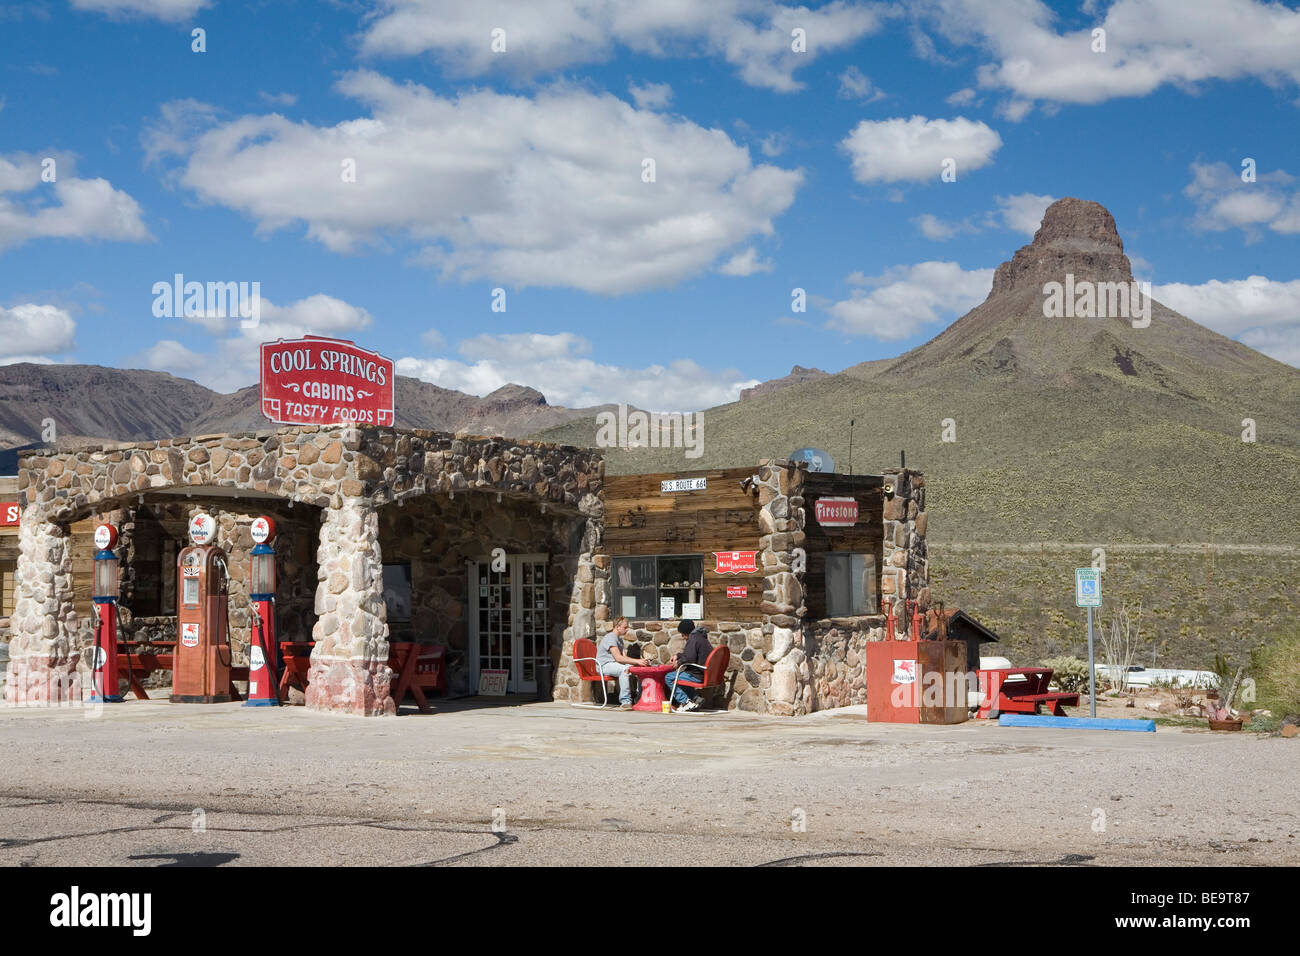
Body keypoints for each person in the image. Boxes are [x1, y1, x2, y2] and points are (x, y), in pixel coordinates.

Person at [596, 617, 643, 710]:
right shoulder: (610, 637)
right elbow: (618, 658)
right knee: (624, 669)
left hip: (613, 664)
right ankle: (625, 702)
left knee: (637, 669)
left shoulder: (620, 640)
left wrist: (638, 664)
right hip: (604, 666)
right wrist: (637, 661)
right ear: (617, 627)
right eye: (625, 627)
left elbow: (624, 658)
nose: (627, 629)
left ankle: (639, 698)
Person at [665, 620, 711, 713]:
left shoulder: (693, 639)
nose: (682, 636)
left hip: (698, 675)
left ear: (686, 632)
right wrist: (678, 655)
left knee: (669, 677)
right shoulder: (701, 637)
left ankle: (685, 702)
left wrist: (678, 663)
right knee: (681, 677)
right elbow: (690, 654)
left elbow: (689, 658)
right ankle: (695, 699)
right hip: (705, 673)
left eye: (682, 634)